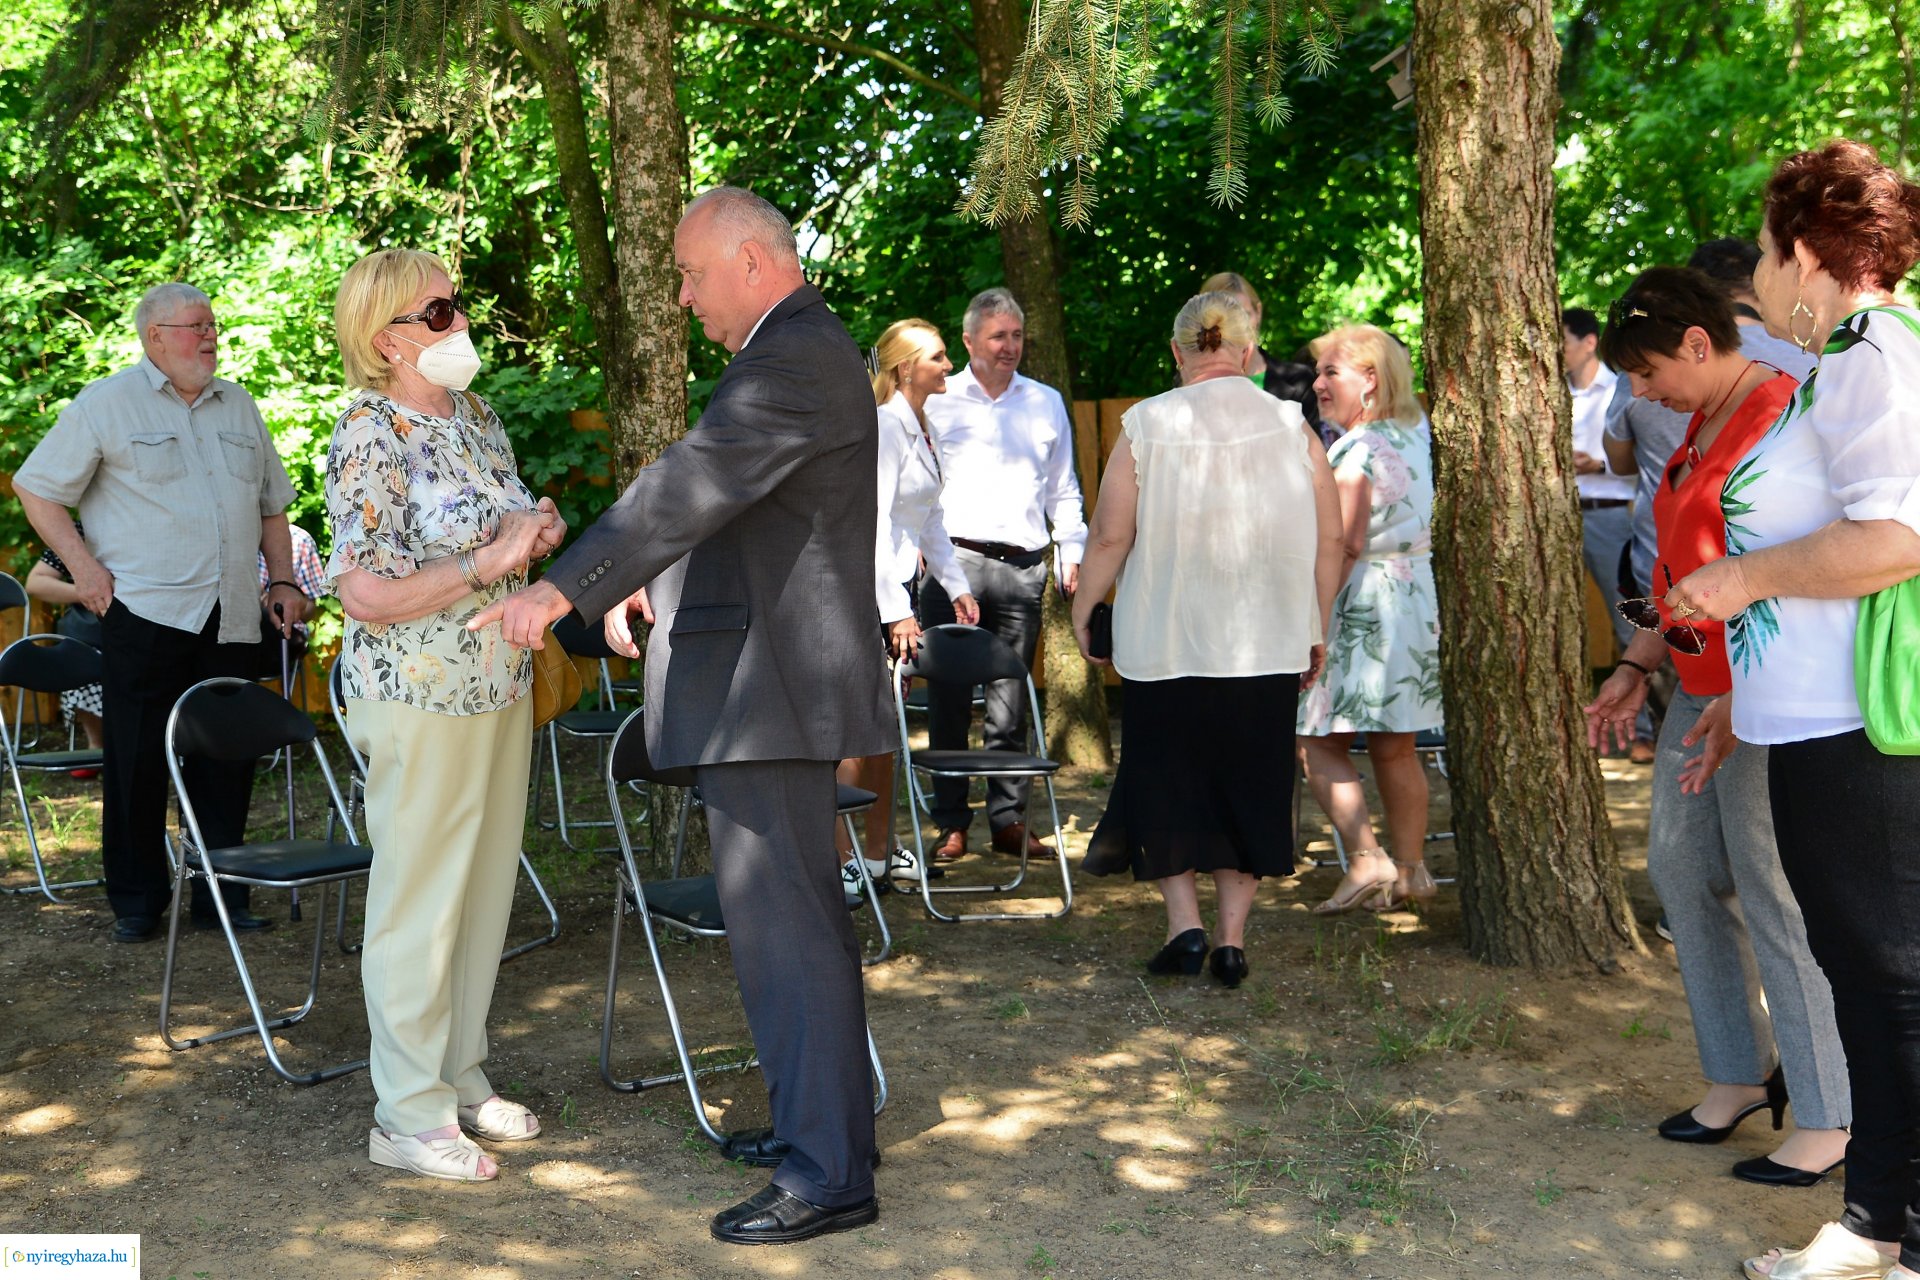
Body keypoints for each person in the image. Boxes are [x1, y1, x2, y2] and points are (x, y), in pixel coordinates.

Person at [472, 187, 895, 1244]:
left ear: (753, 262)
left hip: (772, 690)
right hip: (767, 685)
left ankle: (829, 1170)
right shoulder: (793, 351)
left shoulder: (792, 353)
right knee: (788, 926)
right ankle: (822, 1129)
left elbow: (692, 481)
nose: (683, 292)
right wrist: (644, 586)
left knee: (787, 930)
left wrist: (562, 586)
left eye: (692, 272)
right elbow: (739, 509)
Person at [1659, 140, 1920, 1280]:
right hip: (1812, 719)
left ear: (1810, 254)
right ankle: (1877, 1223)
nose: (1759, 279)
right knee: (1869, 974)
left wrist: (1738, 582)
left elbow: (1894, 539)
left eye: (1766, 255)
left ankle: (1889, 1232)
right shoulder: (1844, 361)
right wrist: (1739, 697)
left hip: (1864, 735)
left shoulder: (1874, 356)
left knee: (1890, 975)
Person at [1584, 266, 1848, 1189]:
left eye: (1648, 370)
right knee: (1682, 870)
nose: (1639, 392)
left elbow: (1784, 565)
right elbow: (1681, 574)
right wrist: (1633, 667)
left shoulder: (1780, 412)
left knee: (1774, 892)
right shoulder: (1699, 420)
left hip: (1764, 696)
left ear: (1699, 343)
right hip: (1698, 688)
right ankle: (1739, 1072)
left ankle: (1827, 1115)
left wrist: (1746, 689)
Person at [324, 248, 564, 1183]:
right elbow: (365, 596)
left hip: (498, 686)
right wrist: (489, 563)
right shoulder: (368, 433)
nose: (458, 323)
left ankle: (460, 1076)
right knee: (418, 905)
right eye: (438, 312)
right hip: (415, 695)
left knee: (481, 892)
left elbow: (505, 529)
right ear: (387, 339)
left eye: (456, 307)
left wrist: (533, 529)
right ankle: (406, 1114)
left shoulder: (477, 416)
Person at [13, 283, 310, 944]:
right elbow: (36, 488)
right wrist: (84, 568)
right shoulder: (106, 404)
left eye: (213, 324)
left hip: (232, 611)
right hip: (146, 612)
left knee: (227, 758)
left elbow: (271, 505)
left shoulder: (240, 405)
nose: (210, 336)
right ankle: (138, 898)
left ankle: (219, 897)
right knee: (137, 756)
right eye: (195, 326)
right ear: (154, 336)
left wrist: (283, 579)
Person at [1074, 292, 1341, 987]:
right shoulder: (1293, 426)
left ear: (1177, 352)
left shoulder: (1147, 423)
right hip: (1265, 640)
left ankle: (1184, 929)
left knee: (1167, 781)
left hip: (1167, 639)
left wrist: (1085, 605)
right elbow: (1330, 539)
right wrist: (1313, 624)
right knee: (1249, 783)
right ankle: (1231, 941)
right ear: (1248, 352)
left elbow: (1110, 534)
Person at [919, 287, 1086, 862]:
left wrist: (1072, 551)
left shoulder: (1044, 402)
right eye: (998, 336)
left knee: (1011, 699)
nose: (1010, 346)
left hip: (1021, 569)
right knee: (946, 698)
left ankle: (1010, 822)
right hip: (950, 567)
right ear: (969, 341)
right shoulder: (936, 401)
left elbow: (1064, 488)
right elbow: (913, 484)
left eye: (1016, 335)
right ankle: (951, 823)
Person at [1295, 324, 1443, 913]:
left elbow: (1345, 543)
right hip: (1411, 599)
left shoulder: (1358, 449)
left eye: (1332, 372)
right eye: (1319, 372)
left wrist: (1316, 624)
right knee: (1395, 746)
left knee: (1313, 741)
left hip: (1362, 606)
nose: (1317, 383)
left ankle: (1365, 858)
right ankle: (1411, 872)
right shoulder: (1412, 432)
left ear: (1372, 379)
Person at [833, 319, 980, 898]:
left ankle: (880, 851)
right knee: (853, 729)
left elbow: (929, 520)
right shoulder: (884, 427)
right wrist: (894, 612)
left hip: (902, 593)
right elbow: (868, 525)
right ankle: (839, 856)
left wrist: (958, 584)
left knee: (885, 731)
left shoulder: (923, 426)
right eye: (939, 357)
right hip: (869, 597)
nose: (948, 367)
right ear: (904, 367)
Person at [1566, 305, 1651, 758]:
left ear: (1589, 342)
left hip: (1610, 512)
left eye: (1563, 340)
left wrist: (1596, 463)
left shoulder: (1621, 385)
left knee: (1630, 619)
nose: (1557, 351)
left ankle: (1640, 733)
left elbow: (1642, 462)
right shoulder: (1550, 391)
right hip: (1558, 516)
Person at [1197, 271, 1331, 439]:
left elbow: (1312, 457)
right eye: (1225, 319)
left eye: (1244, 315)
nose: (1237, 326)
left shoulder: (1298, 380)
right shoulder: (1192, 384)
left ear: (1258, 312)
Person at [25, 526, 105, 761]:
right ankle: (96, 747)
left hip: (152, 629)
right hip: (94, 633)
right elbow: (36, 582)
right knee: (80, 660)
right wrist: (91, 592)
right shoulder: (79, 531)